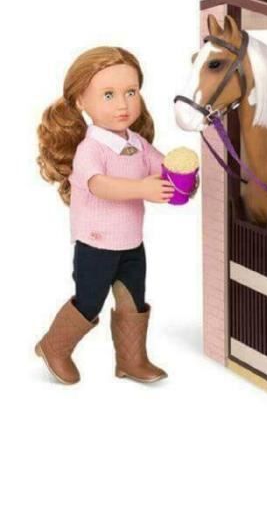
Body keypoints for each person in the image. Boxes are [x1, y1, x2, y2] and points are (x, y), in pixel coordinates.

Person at [36, 46, 175, 384]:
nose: (123, 104)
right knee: (89, 301)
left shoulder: (137, 143)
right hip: (96, 244)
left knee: (133, 301)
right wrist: (142, 189)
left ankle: (132, 359)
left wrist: (184, 175)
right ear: (80, 101)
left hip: (131, 243)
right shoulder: (91, 148)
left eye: (131, 92)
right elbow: (99, 185)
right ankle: (54, 346)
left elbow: (164, 166)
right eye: (109, 95)